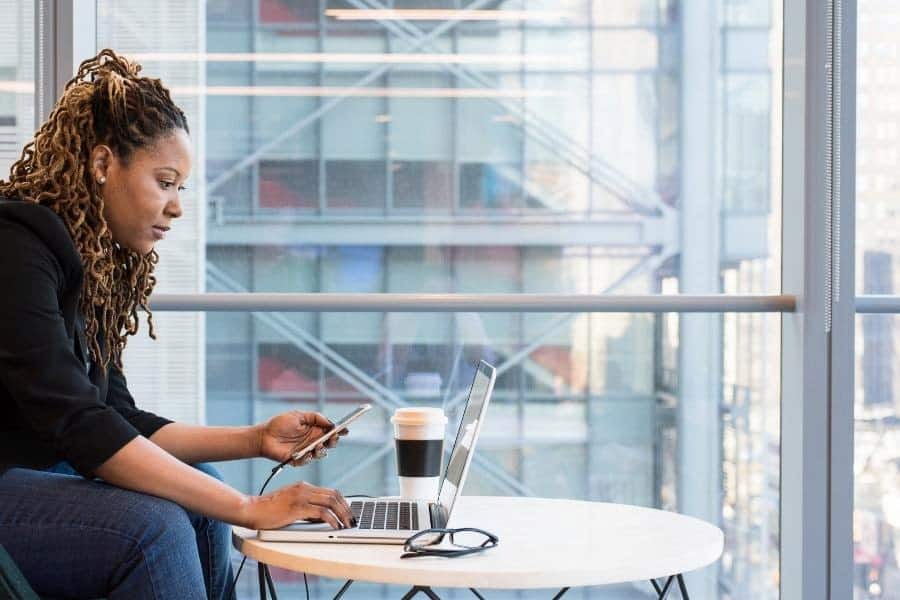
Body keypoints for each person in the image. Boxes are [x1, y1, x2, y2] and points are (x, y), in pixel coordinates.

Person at [0, 49, 354, 600]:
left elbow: (118, 418)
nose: (176, 207)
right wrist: (250, 507)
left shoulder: (90, 262)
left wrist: (256, 440)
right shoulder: (15, 247)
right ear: (101, 165)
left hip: (32, 475)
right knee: (153, 530)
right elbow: (79, 424)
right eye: (165, 181)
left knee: (200, 501)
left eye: (180, 188)